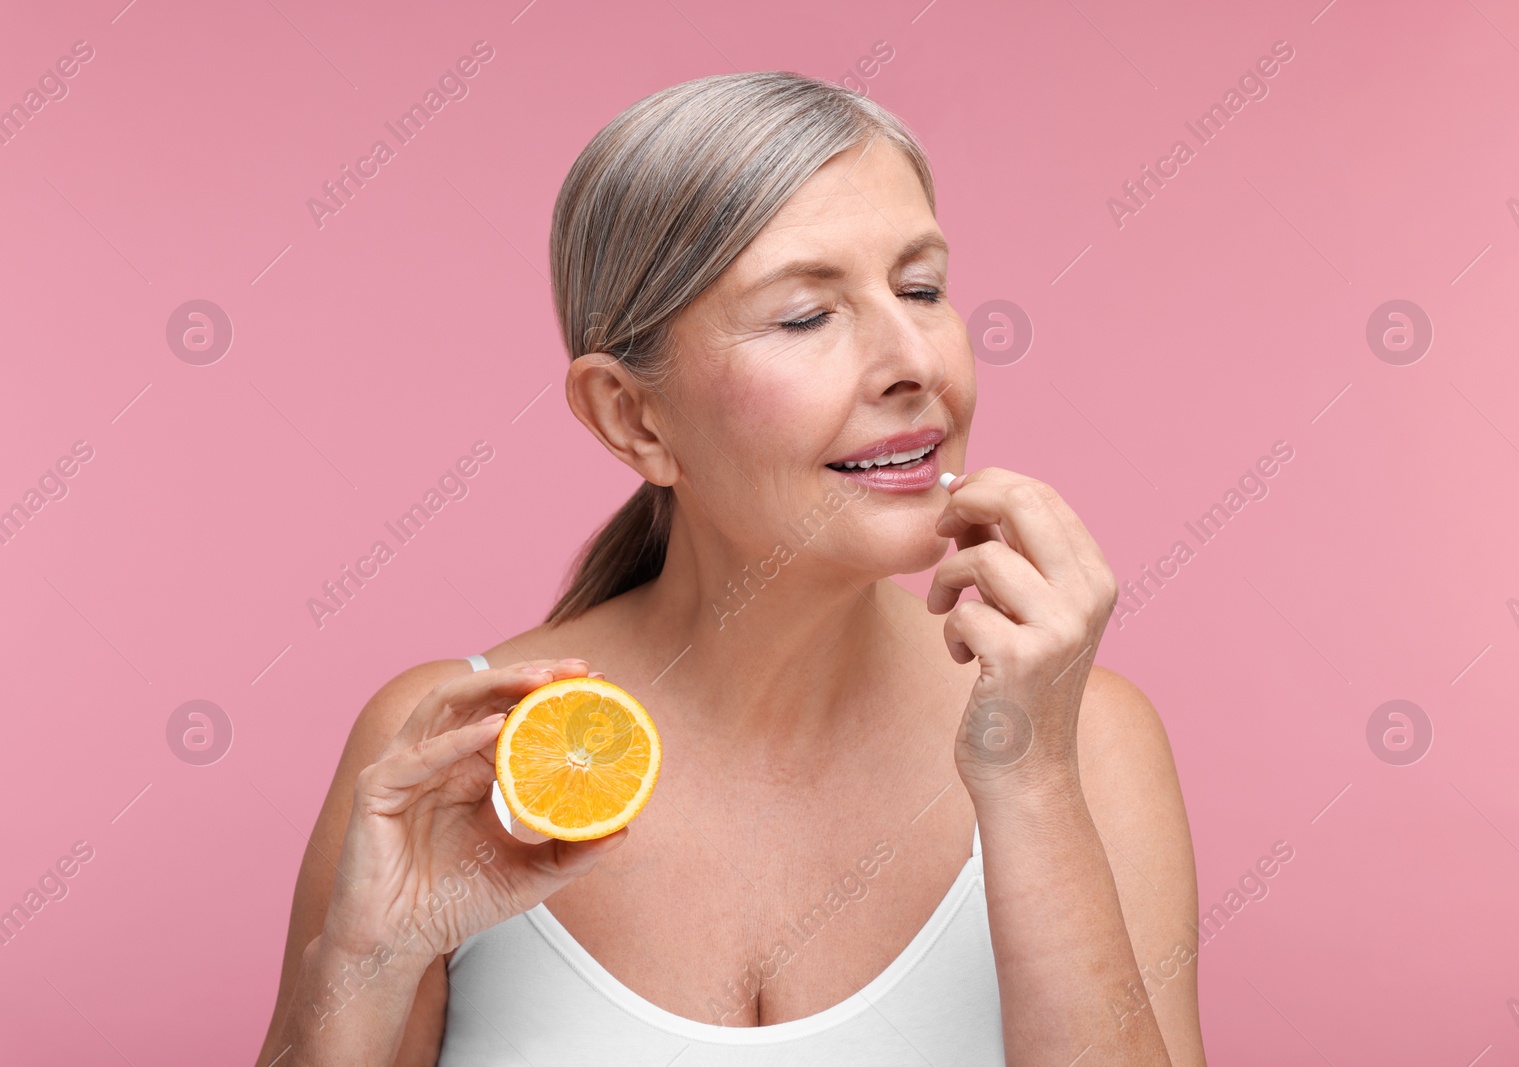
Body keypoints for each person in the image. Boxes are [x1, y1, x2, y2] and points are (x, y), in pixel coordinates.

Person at [255, 70, 1204, 1066]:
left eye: (921, 289)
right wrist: (365, 961)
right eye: (805, 315)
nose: (912, 359)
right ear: (633, 416)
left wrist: (1032, 782)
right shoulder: (458, 756)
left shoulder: (1089, 744)